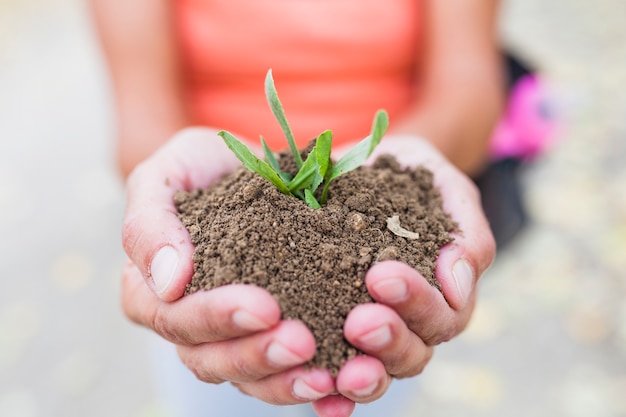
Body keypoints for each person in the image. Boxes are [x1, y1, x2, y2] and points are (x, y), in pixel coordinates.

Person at [90, 1, 500, 416]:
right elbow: (140, 121)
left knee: (372, 373)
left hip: (383, 212)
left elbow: (470, 95)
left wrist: (412, 166)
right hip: (222, 229)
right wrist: (168, 179)